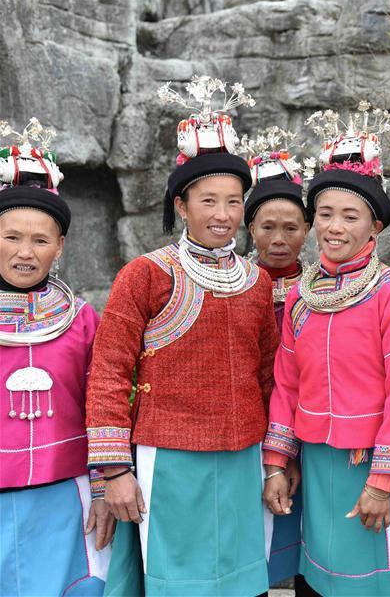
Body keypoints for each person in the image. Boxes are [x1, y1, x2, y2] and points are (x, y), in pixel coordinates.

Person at [85, 77, 279, 595]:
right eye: (208, 201)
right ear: (182, 205)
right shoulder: (146, 275)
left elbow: (268, 374)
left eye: (235, 202)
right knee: (178, 582)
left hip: (242, 457)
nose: (222, 215)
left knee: (240, 580)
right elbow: (107, 373)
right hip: (167, 459)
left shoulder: (257, 281)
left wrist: (276, 458)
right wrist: (113, 471)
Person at [262, 103, 390, 596]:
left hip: (372, 463)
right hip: (317, 462)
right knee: (319, 577)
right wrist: (277, 463)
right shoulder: (301, 294)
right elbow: (287, 382)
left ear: (374, 227)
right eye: (326, 214)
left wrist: (382, 481)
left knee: (376, 582)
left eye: (350, 216)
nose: (334, 227)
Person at [0, 117, 112, 595]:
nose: (26, 252)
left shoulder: (83, 319)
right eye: (11, 237)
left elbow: (106, 404)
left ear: (60, 246)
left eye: (41, 240)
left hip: (69, 496)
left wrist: (105, 490)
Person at [240, 125, 314, 592]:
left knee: (311, 541)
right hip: (249, 432)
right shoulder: (234, 285)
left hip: (311, 427)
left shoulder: (326, 290)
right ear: (250, 228)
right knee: (253, 547)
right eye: (268, 227)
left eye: (291, 227)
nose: (280, 238)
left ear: (308, 228)